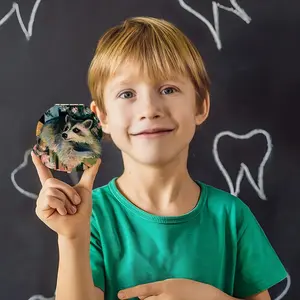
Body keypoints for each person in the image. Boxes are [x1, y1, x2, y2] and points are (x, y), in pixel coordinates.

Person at [31, 16, 288, 300]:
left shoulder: (231, 217)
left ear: (200, 106)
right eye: (127, 93)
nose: (149, 109)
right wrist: (72, 239)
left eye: (168, 90)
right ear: (101, 117)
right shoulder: (91, 217)